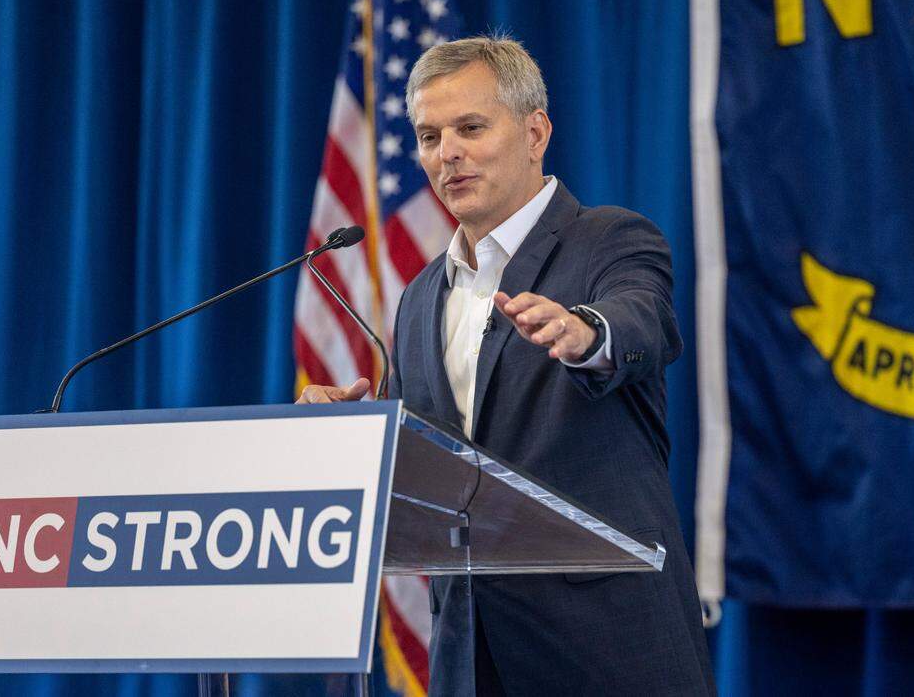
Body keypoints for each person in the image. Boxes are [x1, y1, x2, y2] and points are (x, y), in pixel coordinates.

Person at [299, 36, 714, 696]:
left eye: (470, 128)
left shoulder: (610, 238)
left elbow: (644, 319)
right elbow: (423, 458)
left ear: (534, 132)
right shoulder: (420, 297)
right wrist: (356, 432)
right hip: (469, 656)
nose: (447, 153)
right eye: (430, 136)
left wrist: (587, 332)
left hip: (606, 650)